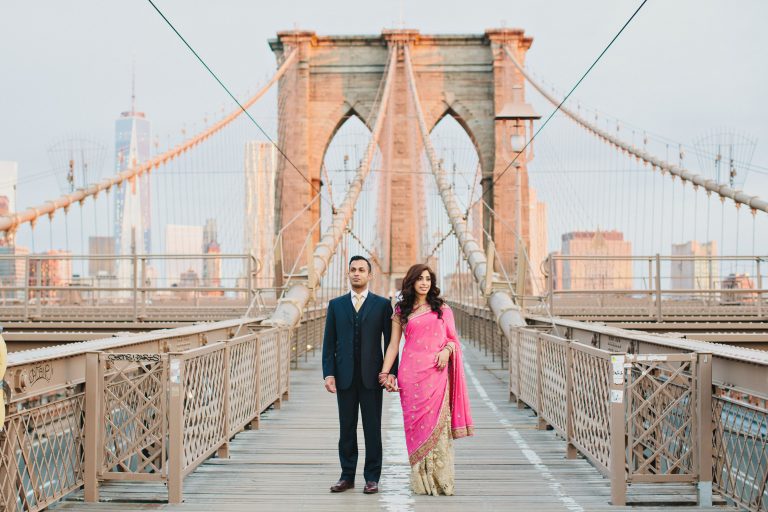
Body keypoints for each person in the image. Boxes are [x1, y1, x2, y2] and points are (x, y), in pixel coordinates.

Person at [379, 263, 474, 496]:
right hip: (410, 375)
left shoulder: (442, 309)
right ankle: (421, 482)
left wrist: (447, 350)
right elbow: (393, 345)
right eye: (419, 278)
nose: (424, 282)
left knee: (438, 428)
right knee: (416, 428)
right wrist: (384, 372)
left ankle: (441, 481)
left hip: (436, 374)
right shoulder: (401, 311)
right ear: (411, 282)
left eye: (428, 279)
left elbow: (454, 340)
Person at [322, 255, 397, 495]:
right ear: (348, 274)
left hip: (372, 377)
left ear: (369, 275)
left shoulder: (383, 305)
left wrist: (391, 373)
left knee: (372, 428)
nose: (356, 273)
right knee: (347, 428)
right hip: (344, 377)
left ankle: (372, 477)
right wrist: (328, 373)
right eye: (353, 269)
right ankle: (347, 476)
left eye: (361, 270)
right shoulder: (336, 305)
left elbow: (391, 343)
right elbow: (328, 342)